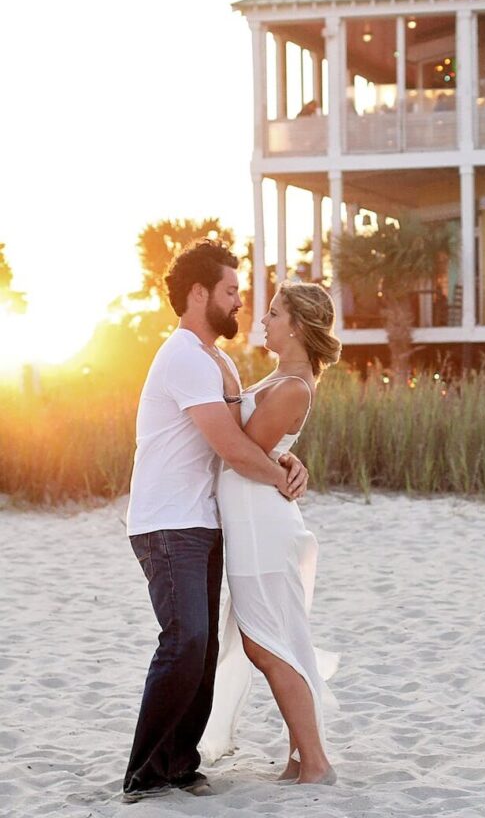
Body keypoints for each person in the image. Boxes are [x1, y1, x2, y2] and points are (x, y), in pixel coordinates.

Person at [122, 240, 308, 805]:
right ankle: (144, 773)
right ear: (199, 294)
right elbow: (229, 447)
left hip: (201, 520)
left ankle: (179, 764)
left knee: (200, 651)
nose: (239, 302)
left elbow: (250, 437)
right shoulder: (182, 355)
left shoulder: (217, 360)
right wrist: (278, 477)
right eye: (230, 291)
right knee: (186, 640)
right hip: (166, 522)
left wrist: (285, 458)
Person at [199, 281, 341, 785]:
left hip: (262, 524)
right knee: (272, 640)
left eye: (275, 313)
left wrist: (225, 378)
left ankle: (316, 762)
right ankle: (301, 757)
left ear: (299, 325)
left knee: (267, 644)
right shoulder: (281, 380)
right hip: (252, 521)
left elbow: (241, 450)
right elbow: (264, 449)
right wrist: (286, 458)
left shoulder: (294, 386)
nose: (264, 320)